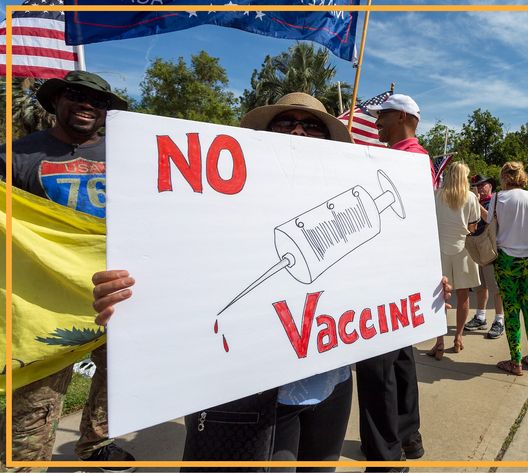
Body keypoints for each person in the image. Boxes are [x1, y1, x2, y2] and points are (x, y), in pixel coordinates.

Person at [93, 93, 357, 472]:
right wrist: (125, 295)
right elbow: (171, 266)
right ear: (263, 134)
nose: (299, 129)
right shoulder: (212, 200)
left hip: (329, 380)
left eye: (311, 124)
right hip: (251, 390)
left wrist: (420, 291)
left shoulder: (345, 202)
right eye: (285, 122)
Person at [0, 71, 136, 470]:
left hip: (117, 290)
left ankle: (96, 447)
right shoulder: (17, 156)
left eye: (99, 101)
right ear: (57, 101)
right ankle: (27, 462)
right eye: (77, 95)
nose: (88, 105)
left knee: (119, 379)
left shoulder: (129, 154)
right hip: (47, 299)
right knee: (36, 399)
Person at [358, 93, 428, 470]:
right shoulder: (418, 157)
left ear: (401, 116)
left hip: (383, 274)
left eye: (382, 116)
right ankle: (408, 435)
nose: (377, 123)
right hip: (401, 275)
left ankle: (385, 453)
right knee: (401, 360)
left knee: (375, 369)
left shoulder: (401, 160)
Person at [488, 162, 528, 376]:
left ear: (505, 176)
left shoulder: (497, 198)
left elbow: (489, 226)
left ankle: (515, 361)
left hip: (506, 261)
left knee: (512, 310)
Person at [427, 162, 481, 359]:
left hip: (440, 249)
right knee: (463, 296)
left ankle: (439, 341)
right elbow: (473, 227)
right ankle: (458, 337)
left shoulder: (437, 195)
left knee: (439, 298)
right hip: (463, 249)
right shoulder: (471, 197)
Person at [463, 174, 505, 340]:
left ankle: (499, 320)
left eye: (483, 185)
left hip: (490, 248)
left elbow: (491, 220)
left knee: (495, 287)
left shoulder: (496, 201)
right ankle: (480, 316)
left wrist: (476, 203)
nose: (480, 188)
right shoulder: (474, 201)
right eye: (477, 186)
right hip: (476, 247)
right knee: (480, 285)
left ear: (491, 186)